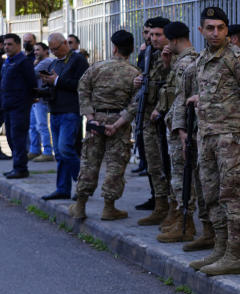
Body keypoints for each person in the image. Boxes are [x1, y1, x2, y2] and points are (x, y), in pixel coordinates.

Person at [186, 6, 240, 276]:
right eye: (210, 28)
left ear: (227, 30)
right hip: (206, 134)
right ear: (201, 30)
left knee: (230, 194)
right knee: (210, 193)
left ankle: (233, 254)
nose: (215, 32)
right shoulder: (203, 58)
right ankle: (219, 248)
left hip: (230, 136)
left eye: (220, 27)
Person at [68, 30, 140, 221]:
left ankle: (80, 205)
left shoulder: (96, 68)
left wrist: (91, 118)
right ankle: (109, 207)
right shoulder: (135, 73)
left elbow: (82, 90)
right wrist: (118, 123)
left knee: (89, 162)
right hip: (120, 122)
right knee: (116, 165)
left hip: (96, 120)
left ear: (114, 47)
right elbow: (136, 102)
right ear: (131, 49)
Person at [156, 21, 203, 244]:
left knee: (183, 177)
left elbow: (184, 100)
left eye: (166, 39)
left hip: (182, 129)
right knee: (180, 176)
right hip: (177, 126)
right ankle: (181, 219)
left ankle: (186, 223)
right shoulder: (182, 61)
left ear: (174, 40)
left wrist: (182, 130)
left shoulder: (186, 63)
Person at [38, 33, 89, 200]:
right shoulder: (55, 62)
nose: (54, 52)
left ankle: (83, 185)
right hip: (56, 110)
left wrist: (57, 81)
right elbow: (55, 85)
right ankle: (63, 188)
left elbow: (81, 84)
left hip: (70, 111)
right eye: (51, 49)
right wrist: (43, 87)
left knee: (66, 148)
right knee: (59, 153)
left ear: (65, 44)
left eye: (56, 49)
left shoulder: (78, 60)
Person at [135, 18, 173, 226]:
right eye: (151, 34)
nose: (153, 38)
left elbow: (174, 84)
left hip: (166, 118)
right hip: (150, 115)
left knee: (168, 166)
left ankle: (173, 209)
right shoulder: (149, 53)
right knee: (153, 164)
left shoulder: (174, 55)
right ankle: (160, 204)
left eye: (158, 34)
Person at [1, 34, 37, 179]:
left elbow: (32, 83)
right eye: (5, 44)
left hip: (19, 107)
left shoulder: (23, 62)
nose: (6, 47)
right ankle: (17, 166)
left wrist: (25, 100)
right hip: (8, 106)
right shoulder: (8, 61)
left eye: (9, 44)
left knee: (18, 138)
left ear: (17, 45)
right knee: (10, 138)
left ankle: (21, 168)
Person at [29, 42, 55, 162]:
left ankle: (47, 151)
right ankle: (34, 150)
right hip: (36, 98)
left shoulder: (47, 61)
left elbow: (32, 74)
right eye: (34, 50)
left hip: (41, 99)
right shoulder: (38, 62)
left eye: (38, 50)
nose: (35, 52)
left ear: (46, 51)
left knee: (41, 125)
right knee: (33, 126)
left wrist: (33, 65)